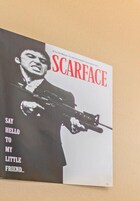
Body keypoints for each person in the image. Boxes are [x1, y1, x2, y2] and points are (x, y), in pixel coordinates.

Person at [3, 45, 87, 183]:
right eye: (31, 56)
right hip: (13, 155)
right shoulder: (8, 87)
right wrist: (22, 105)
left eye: (43, 61)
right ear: (18, 59)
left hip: (49, 160)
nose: (37, 62)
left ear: (47, 68)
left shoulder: (63, 95)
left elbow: (67, 117)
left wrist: (73, 122)